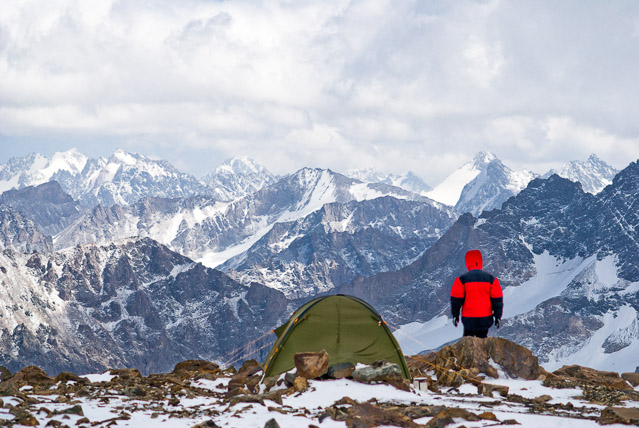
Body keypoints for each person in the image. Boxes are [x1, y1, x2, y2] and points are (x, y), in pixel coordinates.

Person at [450, 249, 503, 338]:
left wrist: (455, 315)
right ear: (480, 261)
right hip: (485, 318)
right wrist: (497, 316)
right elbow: (497, 300)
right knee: (482, 341)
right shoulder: (491, 279)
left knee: (467, 341)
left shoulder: (461, 280)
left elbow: (456, 300)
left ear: (467, 262)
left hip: (468, 318)